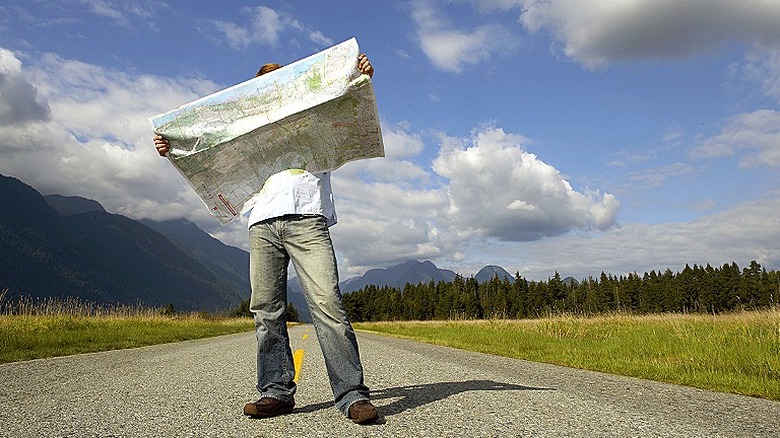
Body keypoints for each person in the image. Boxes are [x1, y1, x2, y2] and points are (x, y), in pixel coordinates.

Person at [153, 53, 378, 424]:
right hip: (261, 222)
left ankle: (351, 395)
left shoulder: (311, 115)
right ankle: (276, 391)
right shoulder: (246, 127)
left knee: (327, 304)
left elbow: (345, 104)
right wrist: (172, 148)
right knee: (266, 310)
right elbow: (209, 149)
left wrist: (358, 77)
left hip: (307, 217)